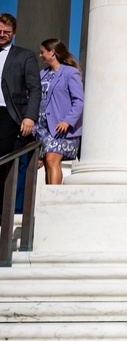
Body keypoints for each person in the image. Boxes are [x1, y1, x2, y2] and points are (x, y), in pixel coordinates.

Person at [0, 13, 41, 207]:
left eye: (6, 32)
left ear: (14, 33)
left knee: (6, 164)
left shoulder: (25, 56)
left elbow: (35, 88)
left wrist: (30, 117)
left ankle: (5, 212)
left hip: (9, 116)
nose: (2, 34)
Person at [36, 39, 84, 185]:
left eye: (43, 51)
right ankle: (49, 199)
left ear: (52, 52)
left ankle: (54, 197)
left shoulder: (71, 72)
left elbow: (79, 101)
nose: (40, 55)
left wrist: (68, 121)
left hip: (61, 127)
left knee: (51, 159)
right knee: (47, 163)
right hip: (43, 128)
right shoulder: (42, 74)